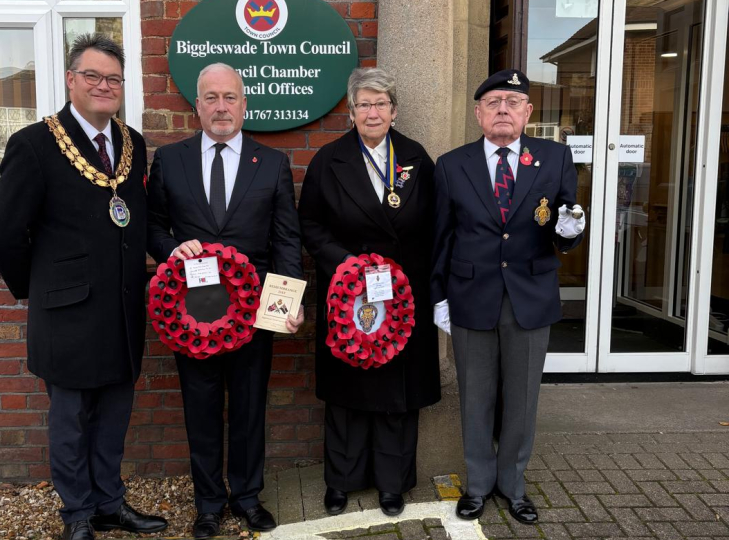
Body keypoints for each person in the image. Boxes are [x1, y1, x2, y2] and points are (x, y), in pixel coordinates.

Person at [0, 35, 167, 540]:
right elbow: (3, 233)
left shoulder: (132, 142)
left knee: (113, 415)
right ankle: (77, 514)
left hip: (123, 310)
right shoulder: (34, 143)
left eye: (113, 78)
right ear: (71, 80)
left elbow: (134, 219)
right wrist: (36, 289)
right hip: (65, 313)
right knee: (71, 421)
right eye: (93, 76)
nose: (104, 86)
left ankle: (109, 502)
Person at [146, 62, 304, 539]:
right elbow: (152, 227)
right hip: (192, 313)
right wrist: (173, 249)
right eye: (210, 97)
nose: (220, 106)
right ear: (197, 106)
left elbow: (286, 243)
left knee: (251, 406)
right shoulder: (170, 160)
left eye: (229, 97)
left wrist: (287, 303)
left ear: (244, 104)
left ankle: (249, 497)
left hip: (254, 313)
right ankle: (209, 503)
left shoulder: (271, 163)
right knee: (201, 406)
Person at [431, 69, 586, 525]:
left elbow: (565, 221)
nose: (503, 109)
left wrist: (572, 231)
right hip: (470, 294)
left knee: (522, 398)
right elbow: (441, 237)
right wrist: (439, 295)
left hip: (530, 295)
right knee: (475, 396)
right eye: (494, 102)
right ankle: (478, 485)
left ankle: (513, 485)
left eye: (512, 102)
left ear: (527, 113)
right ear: (478, 113)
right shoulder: (452, 164)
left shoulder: (555, 157)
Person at [298, 67, 441, 518]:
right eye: (364, 104)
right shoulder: (329, 159)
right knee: (347, 390)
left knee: (396, 394)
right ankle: (341, 481)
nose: (372, 111)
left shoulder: (417, 159)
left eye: (380, 103)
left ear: (394, 111)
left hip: (403, 295)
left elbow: (436, 225)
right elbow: (310, 224)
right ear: (352, 111)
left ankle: (392, 483)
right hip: (349, 292)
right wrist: (345, 263)